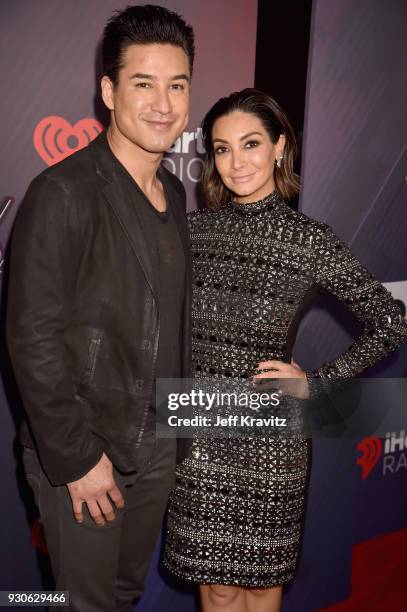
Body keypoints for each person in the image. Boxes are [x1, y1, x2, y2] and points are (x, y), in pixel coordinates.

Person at [163, 88, 407, 612]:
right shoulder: (191, 232)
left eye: (250, 143)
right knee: (218, 589)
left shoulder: (308, 240)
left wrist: (314, 382)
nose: (235, 162)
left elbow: (391, 320)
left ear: (280, 146)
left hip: (271, 439)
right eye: (222, 148)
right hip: (201, 429)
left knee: (258, 588)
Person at [6, 5, 194, 611]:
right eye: (144, 83)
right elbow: (31, 337)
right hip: (88, 448)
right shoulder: (62, 192)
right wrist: (78, 458)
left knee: (122, 595)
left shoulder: (175, 190)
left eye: (178, 84)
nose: (163, 104)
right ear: (109, 91)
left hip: (157, 444)